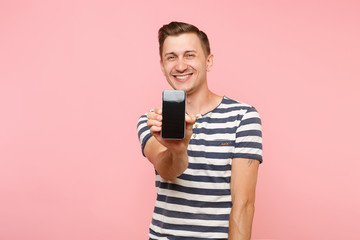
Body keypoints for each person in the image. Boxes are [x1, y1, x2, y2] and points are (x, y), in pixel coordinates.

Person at [137, 21, 263, 240]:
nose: (180, 66)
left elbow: (243, 205)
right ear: (162, 65)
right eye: (171, 57)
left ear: (209, 61)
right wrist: (178, 149)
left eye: (190, 55)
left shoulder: (243, 117)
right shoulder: (152, 121)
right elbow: (167, 171)